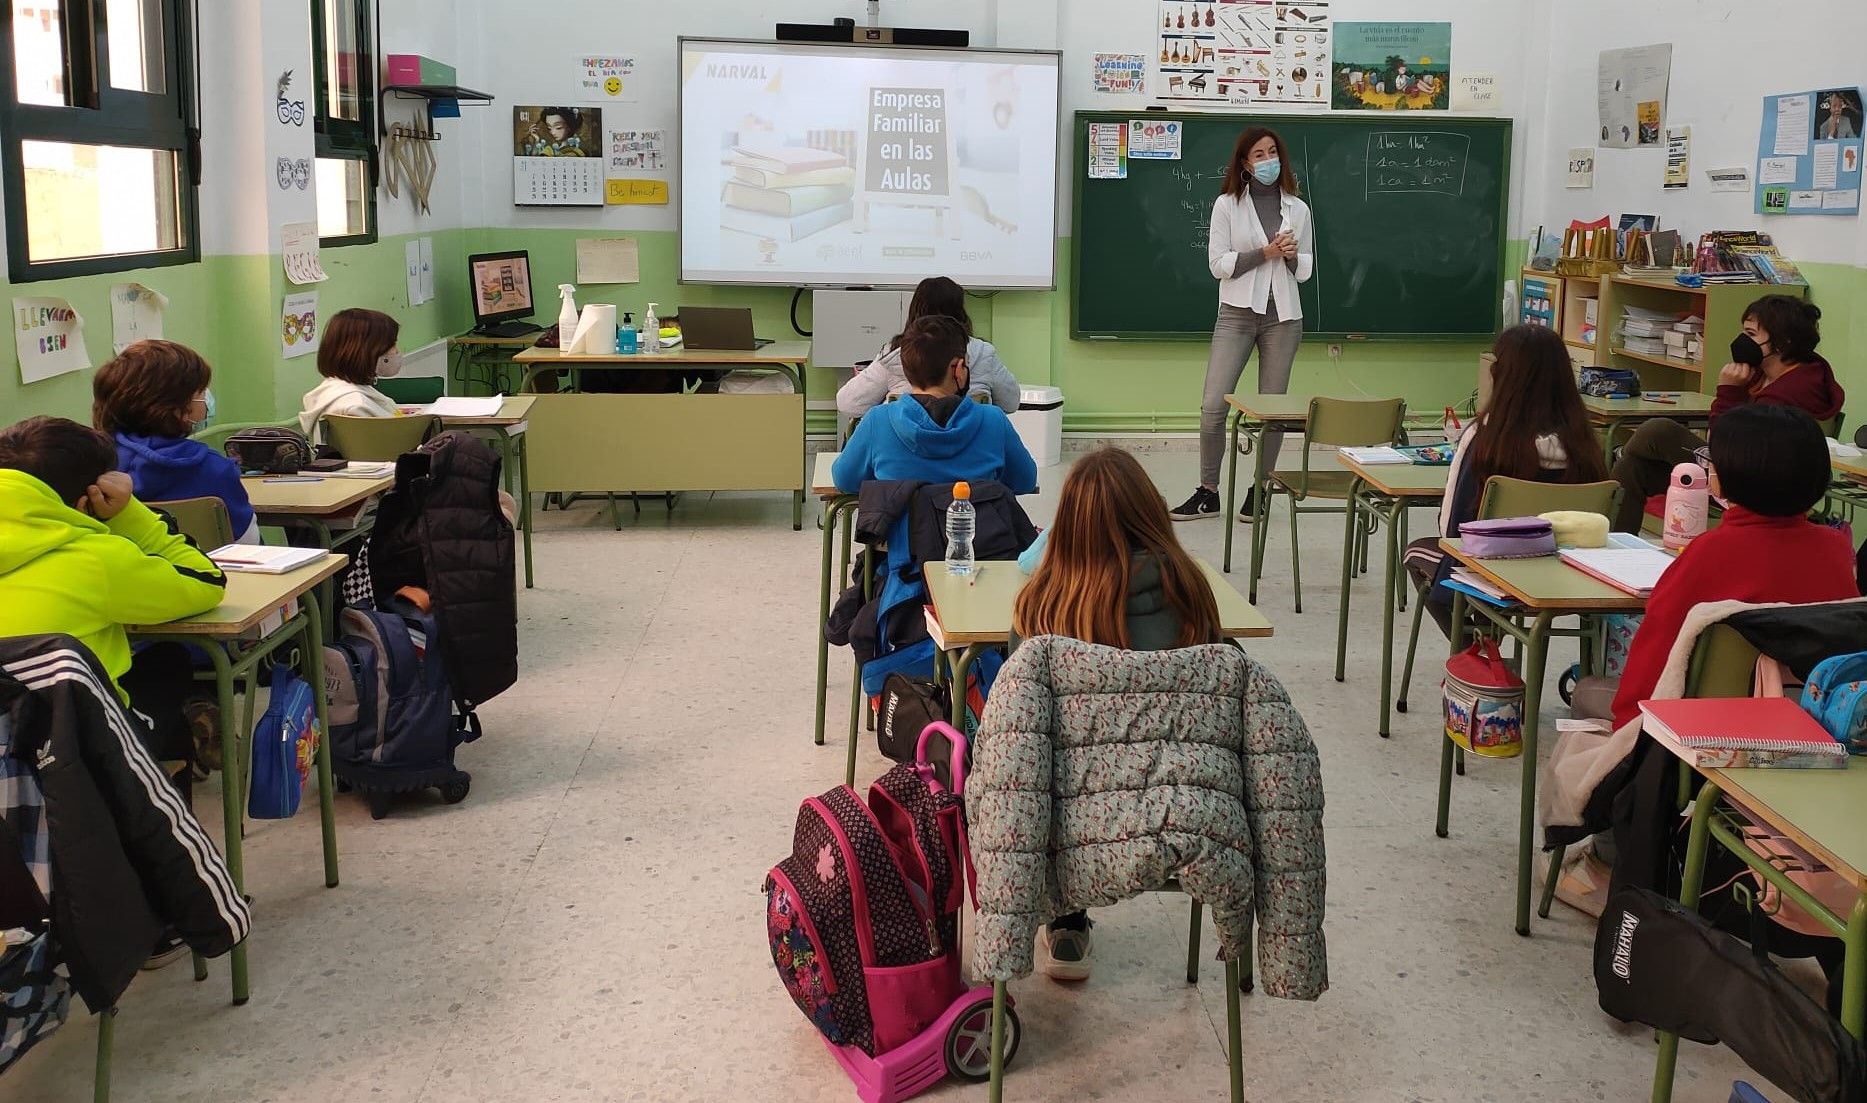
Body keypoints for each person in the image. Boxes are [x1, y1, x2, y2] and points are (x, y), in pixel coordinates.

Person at [1009, 447, 1224, 980]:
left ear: (1064, 529)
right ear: (1152, 512)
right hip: (1179, 811)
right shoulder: (1194, 597)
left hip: (1070, 821)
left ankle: (1066, 921)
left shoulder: (1039, 608)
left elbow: (1020, 734)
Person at [1610, 405, 1858, 731]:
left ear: (1725, 478)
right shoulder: (1836, 549)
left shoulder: (1709, 552)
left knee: (1589, 696)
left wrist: (1625, 729)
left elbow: (1654, 655)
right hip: (1810, 729)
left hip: (1696, 736)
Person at [0, 415, 227, 766]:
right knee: (169, 661)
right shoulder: (96, 560)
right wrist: (129, 514)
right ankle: (161, 792)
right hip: (74, 757)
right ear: (88, 501)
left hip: (8, 751)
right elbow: (206, 581)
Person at [1404, 325, 1609, 632]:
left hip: (1491, 575)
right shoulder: (1585, 444)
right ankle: (1487, 644)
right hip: (1571, 577)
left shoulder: (1485, 438)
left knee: (1417, 552)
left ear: (1501, 374)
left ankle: (1478, 650)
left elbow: (1452, 529)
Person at [1173, 125, 1314, 522]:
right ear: (1245, 164)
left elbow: (1305, 270)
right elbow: (1218, 264)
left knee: (1273, 409)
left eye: (1273, 152)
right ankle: (1208, 491)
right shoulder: (1227, 205)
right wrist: (1265, 252)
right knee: (1213, 405)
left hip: (1283, 318)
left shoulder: (1298, 209)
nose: (1269, 160)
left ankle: (1261, 488)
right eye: (1259, 155)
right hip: (1236, 314)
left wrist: (1289, 256)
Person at [1610, 295, 1842, 531]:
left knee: (1658, 431)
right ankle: (1615, 544)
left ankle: (1617, 455)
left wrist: (1729, 392)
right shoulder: (1768, 374)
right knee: (1632, 468)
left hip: (1754, 483)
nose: (1742, 341)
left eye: (1751, 334)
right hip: (1732, 466)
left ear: (1782, 342)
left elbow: (1723, 443)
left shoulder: (1792, 392)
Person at [831, 315, 1037, 494]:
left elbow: (845, 480)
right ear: (958, 368)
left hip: (905, 530)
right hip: (976, 528)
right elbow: (1025, 481)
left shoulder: (878, 421)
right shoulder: (993, 421)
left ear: (906, 367)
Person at [93, 339, 259, 544]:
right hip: (204, 564)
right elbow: (248, 545)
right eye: (200, 392)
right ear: (175, 407)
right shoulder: (214, 469)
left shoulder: (91, 465)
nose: (205, 399)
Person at [835, 276, 1020, 419]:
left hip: (904, 453)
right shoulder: (983, 353)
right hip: (973, 453)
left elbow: (848, 404)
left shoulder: (896, 354)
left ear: (915, 311)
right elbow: (1011, 402)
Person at [298, 307, 403, 439]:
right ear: (369, 350)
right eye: (392, 344)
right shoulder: (356, 406)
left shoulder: (329, 391)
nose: (396, 350)